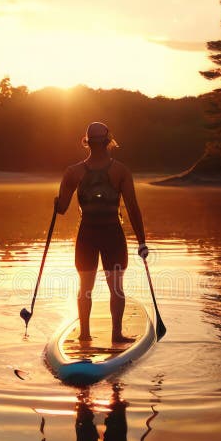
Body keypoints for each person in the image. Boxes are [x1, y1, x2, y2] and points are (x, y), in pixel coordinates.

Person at [55, 121, 148, 344]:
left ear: (86, 142)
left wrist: (56, 203)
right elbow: (133, 208)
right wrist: (142, 242)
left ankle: (85, 334)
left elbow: (62, 209)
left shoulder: (73, 172)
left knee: (85, 287)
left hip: (87, 235)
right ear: (108, 142)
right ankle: (116, 334)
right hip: (112, 236)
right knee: (116, 287)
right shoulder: (121, 171)